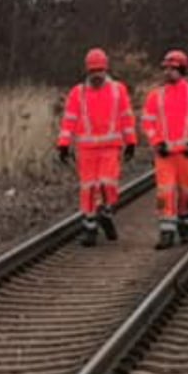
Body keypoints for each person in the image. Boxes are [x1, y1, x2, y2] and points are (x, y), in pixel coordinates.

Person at [57, 48, 137, 246]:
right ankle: (90, 228)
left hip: (110, 147)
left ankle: (106, 212)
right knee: (88, 189)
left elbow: (126, 117)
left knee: (107, 183)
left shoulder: (118, 90)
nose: (96, 75)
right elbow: (69, 120)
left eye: (99, 70)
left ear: (106, 69)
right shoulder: (78, 93)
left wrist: (131, 142)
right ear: (87, 71)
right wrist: (64, 145)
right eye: (93, 71)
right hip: (86, 150)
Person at [141, 50, 188, 250]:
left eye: (172, 69)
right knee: (165, 193)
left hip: (187, 154)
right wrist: (157, 142)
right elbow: (147, 123)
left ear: (182, 70)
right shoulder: (155, 96)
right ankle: (166, 232)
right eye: (165, 68)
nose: (168, 72)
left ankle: (185, 228)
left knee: (187, 194)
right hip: (164, 155)